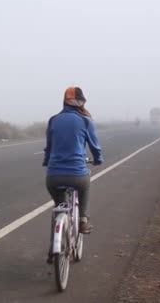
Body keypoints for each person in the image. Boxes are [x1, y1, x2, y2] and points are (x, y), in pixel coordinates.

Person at [43, 86, 103, 262]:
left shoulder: (53, 120)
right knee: (85, 185)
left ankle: (53, 245)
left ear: (64, 101)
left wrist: (47, 162)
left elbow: (48, 148)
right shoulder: (85, 121)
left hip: (53, 176)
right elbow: (95, 147)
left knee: (59, 205)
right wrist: (98, 159)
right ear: (82, 102)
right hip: (77, 174)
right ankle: (83, 219)